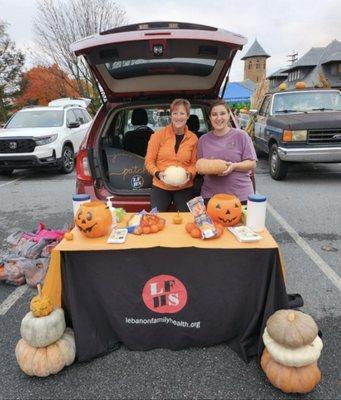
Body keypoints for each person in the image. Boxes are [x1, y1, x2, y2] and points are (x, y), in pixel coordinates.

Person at [197, 100, 257, 205]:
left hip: (240, 196)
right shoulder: (203, 140)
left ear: (229, 115)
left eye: (222, 113)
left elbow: (252, 163)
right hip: (211, 197)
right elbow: (200, 167)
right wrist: (211, 168)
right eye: (214, 114)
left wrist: (234, 166)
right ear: (210, 118)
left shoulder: (241, 136)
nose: (218, 118)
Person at [145, 98, 198, 211]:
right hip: (161, 185)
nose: (178, 117)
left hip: (185, 186)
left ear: (188, 116)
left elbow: (194, 163)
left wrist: (189, 174)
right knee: (156, 218)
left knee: (186, 219)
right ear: (171, 115)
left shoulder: (193, 138)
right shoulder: (158, 136)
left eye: (182, 113)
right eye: (175, 113)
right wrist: (158, 174)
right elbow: (149, 161)